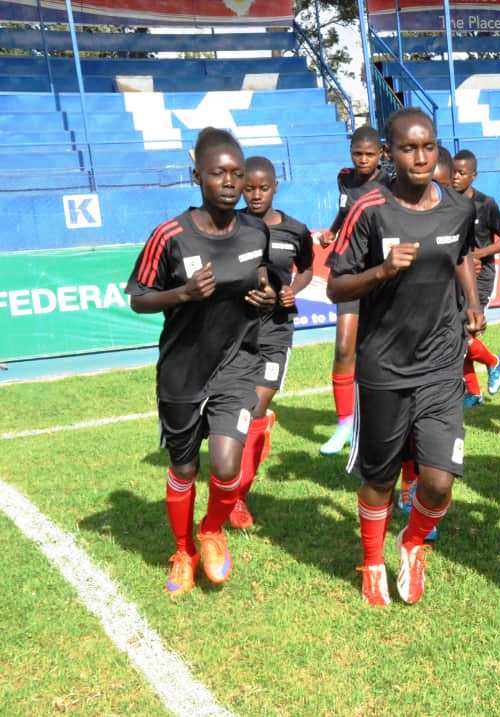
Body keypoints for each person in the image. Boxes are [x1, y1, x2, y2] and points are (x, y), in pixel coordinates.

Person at [327, 108, 485, 606]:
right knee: (380, 478)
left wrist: (473, 303)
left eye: (428, 147)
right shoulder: (369, 207)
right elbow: (335, 286)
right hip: (384, 366)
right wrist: (381, 271)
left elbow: (461, 254)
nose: (420, 157)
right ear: (391, 155)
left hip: (441, 362)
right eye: (408, 148)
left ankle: (412, 543)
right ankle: (372, 560)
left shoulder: (458, 207)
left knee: (438, 482)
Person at [126, 127, 276, 596]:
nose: (230, 182)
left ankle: (211, 530)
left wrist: (266, 295)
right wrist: (183, 294)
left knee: (227, 465)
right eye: (218, 173)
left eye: (236, 173)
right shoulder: (171, 235)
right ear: (197, 176)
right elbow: (138, 298)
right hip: (183, 370)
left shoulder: (255, 229)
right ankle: (182, 550)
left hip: (237, 362)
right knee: (185, 469)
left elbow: (264, 279)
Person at [231, 156, 314, 529]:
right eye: (249, 188)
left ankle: (238, 498)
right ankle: (243, 468)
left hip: (277, 330)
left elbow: (309, 267)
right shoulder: (230, 226)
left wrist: (292, 291)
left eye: (263, 188)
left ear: (275, 186)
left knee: (254, 407)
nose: (255, 195)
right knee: (240, 413)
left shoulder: (295, 230)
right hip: (236, 330)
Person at [320, 126, 384, 455]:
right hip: (349, 269)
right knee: (344, 347)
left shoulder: (389, 183)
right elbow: (345, 211)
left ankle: (379, 417)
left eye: (369, 154)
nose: (362, 160)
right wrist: (332, 231)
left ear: (381, 154)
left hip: (381, 272)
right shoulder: (344, 177)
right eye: (357, 153)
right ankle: (345, 422)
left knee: (380, 349)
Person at [451, 148, 500, 406]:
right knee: (455, 331)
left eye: (462, 173)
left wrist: (477, 255)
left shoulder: (486, 204)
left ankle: (493, 362)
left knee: (464, 329)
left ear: (474, 175)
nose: (456, 177)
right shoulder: (446, 203)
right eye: (453, 171)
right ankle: (472, 392)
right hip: (455, 273)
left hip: (480, 275)